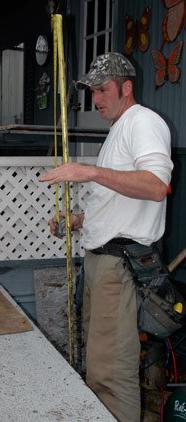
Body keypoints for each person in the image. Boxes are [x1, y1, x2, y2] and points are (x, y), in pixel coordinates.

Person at [39, 52, 173, 421]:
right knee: (99, 365)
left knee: (110, 373)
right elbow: (119, 202)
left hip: (120, 264)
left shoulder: (143, 122)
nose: (96, 99)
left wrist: (91, 172)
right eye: (92, 91)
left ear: (126, 88)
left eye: (102, 89)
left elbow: (156, 186)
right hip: (101, 260)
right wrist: (78, 220)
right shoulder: (120, 128)